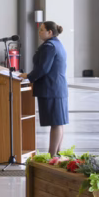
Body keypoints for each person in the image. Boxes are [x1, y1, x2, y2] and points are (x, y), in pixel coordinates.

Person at [29, 20, 70, 154]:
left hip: (51, 88)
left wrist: (28, 76)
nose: (39, 32)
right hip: (57, 88)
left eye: (42, 29)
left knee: (56, 123)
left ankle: (52, 156)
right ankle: (56, 154)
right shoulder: (57, 44)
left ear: (50, 32)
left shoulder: (49, 46)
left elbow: (43, 68)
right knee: (58, 123)